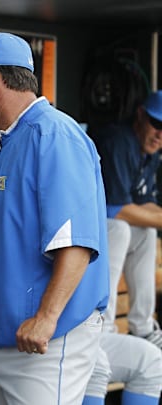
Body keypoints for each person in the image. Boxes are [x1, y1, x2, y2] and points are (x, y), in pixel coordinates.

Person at [0, 32, 109, 403]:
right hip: (5, 346)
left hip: (42, 344)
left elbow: (75, 240)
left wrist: (46, 318)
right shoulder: (10, 145)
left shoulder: (53, 133)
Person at [0, 221, 162, 405]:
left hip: (78, 328)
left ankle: (143, 330)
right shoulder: (5, 212)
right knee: (98, 365)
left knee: (150, 361)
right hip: (36, 335)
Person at [89, 90, 162, 348]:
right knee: (121, 229)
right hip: (74, 233)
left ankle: (142, 329)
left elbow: (145, 205)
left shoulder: (148, 153)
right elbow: (116, 209)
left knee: (145, 233)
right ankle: (104, 328)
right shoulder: (120, 141)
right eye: (157, 124)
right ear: (140, 115)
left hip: (101, 236)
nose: (160, 134)